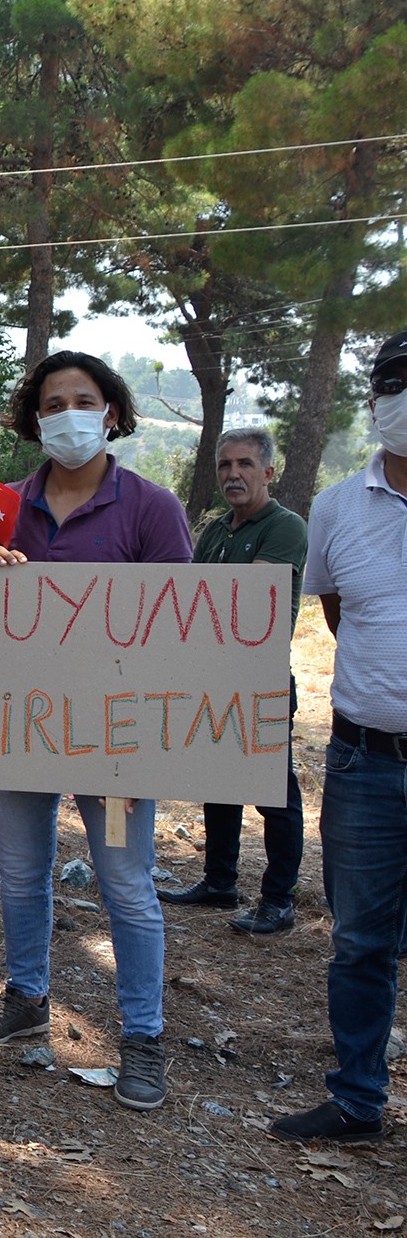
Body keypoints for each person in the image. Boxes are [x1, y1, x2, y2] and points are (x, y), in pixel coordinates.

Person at [0, 351, 193, 1114]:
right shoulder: (0, 506)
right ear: (33, 420)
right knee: (23, 871)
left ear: (113, 412)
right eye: (51, 403)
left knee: (127, 884)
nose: (67, 415)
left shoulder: (153, 508)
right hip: (21, 724)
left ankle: (143, 1036)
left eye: (82, 400)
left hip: (117, 737)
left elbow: (181, 624)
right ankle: (27, 997)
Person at [269, 335, 407, 1144]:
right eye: (396, 382)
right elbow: (341, 614)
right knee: (360, 941)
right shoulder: (334, 508)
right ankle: (358, 1099)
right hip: (365, 761)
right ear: (374, 398)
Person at [159, 428, 307, 934]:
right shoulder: (217, 530)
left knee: (274, 796)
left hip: (260, 681)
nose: (232, 475)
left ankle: (279, 899)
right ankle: (220, 882)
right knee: (217, 784)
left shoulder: (285, 527)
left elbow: (240, 601)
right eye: (225, 466)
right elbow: (192, 600)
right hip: (212, 677)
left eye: (244, 464)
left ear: (269, 472)